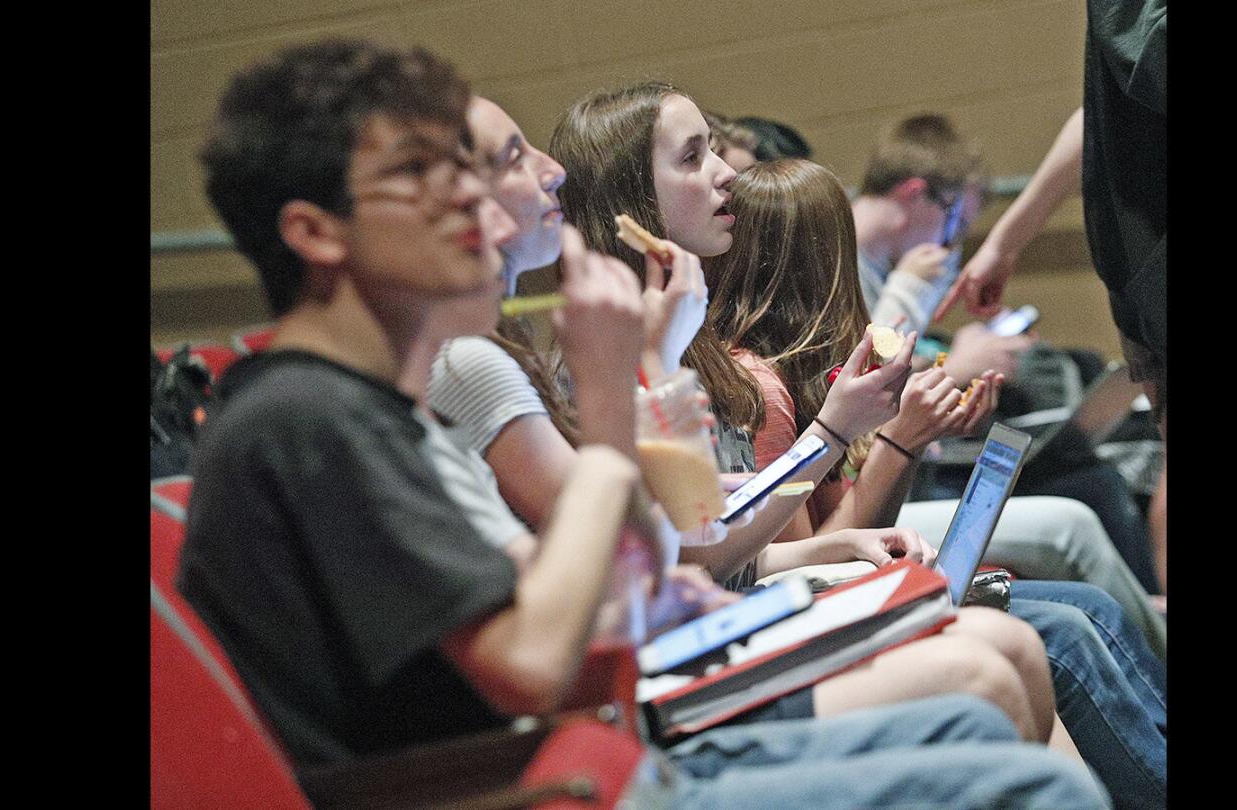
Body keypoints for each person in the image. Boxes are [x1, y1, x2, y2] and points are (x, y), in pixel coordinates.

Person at [177, 39, 1106, 809]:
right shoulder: (308, 418)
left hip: (601, 741)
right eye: (419, 173)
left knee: (985, 704)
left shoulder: (367, 403)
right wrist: (617, 397)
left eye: (467, 167)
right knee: (1020, 759)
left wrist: (680, 588)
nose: (470, 197)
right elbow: (538, 662)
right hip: (553, 781)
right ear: (315, 233)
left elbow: (603, 582)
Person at [431, 90, 1064, 747]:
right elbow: (680, 551)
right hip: (646, 680)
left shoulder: (657, 342)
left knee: (1017, 637)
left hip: (689, 625)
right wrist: (838, 437)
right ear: (635, 202)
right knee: (996, 655)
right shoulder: (561, 355)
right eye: (692, 156)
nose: (727, 175)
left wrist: (825, 540)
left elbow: (694, 539)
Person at [701, 156, 1165, 805]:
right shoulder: (761, 387)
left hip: (838, 587)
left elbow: (854, 535)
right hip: (795, 614)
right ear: (824, 259)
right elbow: (828, 553)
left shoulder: (794, 367)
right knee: (1064, 627)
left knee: (1085, 601)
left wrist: (914, 437)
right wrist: (900, 440)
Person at [855, 113, 1163, 599]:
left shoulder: (882, 271)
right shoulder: (847, 263)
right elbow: (863, 374)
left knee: (1089, 472)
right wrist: (954, 363)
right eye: (956, 223)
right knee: (1085, 494)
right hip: (896, 483)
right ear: (915, 193)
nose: (953, 244)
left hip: (919, 464)